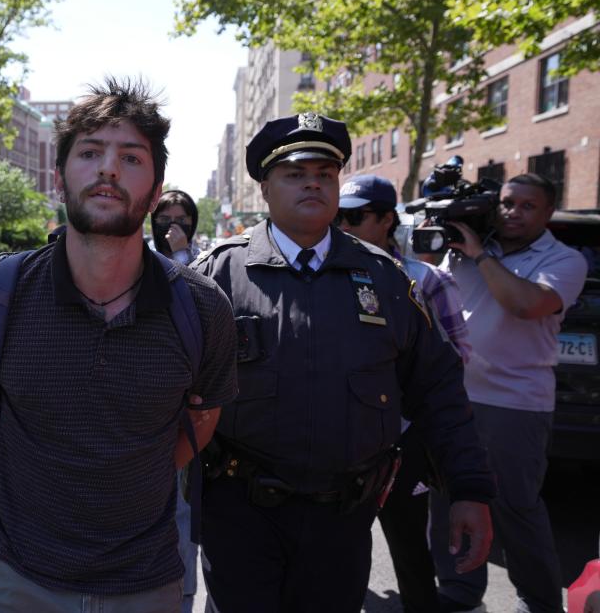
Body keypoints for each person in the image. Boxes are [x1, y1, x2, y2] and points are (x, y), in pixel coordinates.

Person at [0, 78, 238, 612]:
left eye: (131, 158)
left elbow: (201, 422)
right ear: (59, 176)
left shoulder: (203, 308)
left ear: (156, 190)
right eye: (90, 153)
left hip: (150, 581)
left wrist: (133, 477)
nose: (108, 169)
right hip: (19, 580)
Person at [191, 112, 495, 613]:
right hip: (241, 514)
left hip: (343, 518)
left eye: (325, 174)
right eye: (294, 174)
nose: (313, 183)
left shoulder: (387, 280)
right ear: (265, 188)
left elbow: (439, 390)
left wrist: (468, 489)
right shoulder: (218, 275)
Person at [428, 172, 588, 613]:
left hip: (514, 404)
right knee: (446, 500)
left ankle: (538, 602)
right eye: (506, 203)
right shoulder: (469, 249)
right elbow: (432, 292)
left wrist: (479, 255)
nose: (512, 212)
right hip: (454, 398)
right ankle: (459, 592)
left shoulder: (564, 259)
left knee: (515, 510)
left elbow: (525, 304)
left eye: (526, 205)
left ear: (548, 212)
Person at [337, 174, 472, 613]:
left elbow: (458, 358)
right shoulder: (325, 277)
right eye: (339, 216)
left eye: (355, 216)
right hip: (339, 438)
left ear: (387, 219)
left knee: (410, 548)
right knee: (335, 555)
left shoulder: (425, 280)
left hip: (403, 439)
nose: (344, 225)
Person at [151, 188, 204, 613]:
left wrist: (183, 255)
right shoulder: (130, 259)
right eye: (164, 215)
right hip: (139, 420)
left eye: (181, 217)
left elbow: (200, 314)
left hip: (189, 422)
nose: (172, 224)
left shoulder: (207, 263)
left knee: (182, 523)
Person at [152, 189, 202, 265]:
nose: (173, 226)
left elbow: (189, 276)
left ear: (192, 222)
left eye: (181, 220)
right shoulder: (144, 257)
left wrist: (181, 253)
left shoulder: (202, 260)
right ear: (155, 222)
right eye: (165, 219)